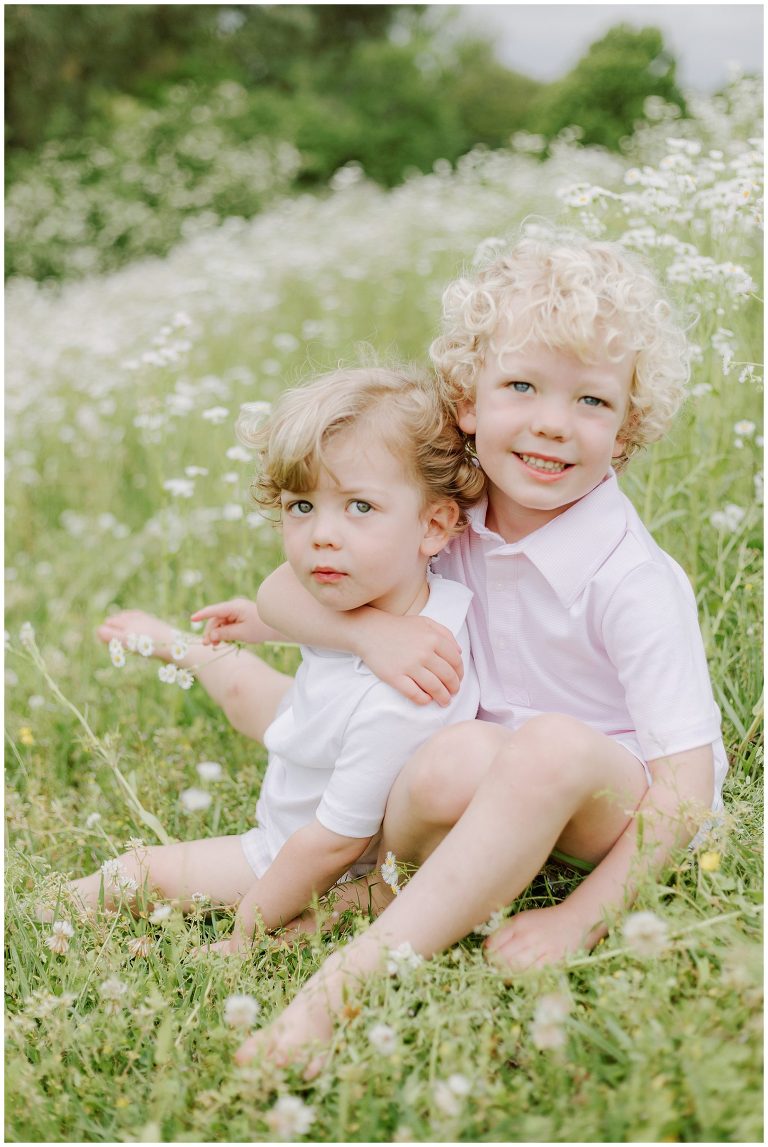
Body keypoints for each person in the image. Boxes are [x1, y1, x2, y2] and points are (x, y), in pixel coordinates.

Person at [232, 227, 728, 1067]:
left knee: (549, 745)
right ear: (468, 401)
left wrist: (581, 917)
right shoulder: (447, 520)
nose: (551, 425)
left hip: (608, 803)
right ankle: (382, 888)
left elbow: (688, 786)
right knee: (455, 749)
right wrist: (370, 628)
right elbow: (280, 596)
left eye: (592, 401)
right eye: (521, 386)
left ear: (629, 426)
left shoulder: (631, 579)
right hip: (483, 779)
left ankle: (346, 982)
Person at [77, 366, 484, 952]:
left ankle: (31, 912)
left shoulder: (406, 692)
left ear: (435, 525)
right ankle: (184, 647)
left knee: (139, 871)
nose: (321, 535)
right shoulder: (400, 589)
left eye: (359, 507)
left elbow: (331, 845)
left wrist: (246, 934)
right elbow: (289, 595)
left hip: (315, 858)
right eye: (301, 506)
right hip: (317, 735)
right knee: (247, 690)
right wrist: (266, 621)